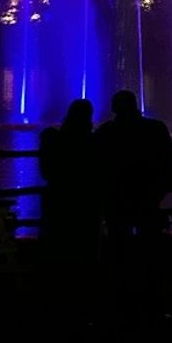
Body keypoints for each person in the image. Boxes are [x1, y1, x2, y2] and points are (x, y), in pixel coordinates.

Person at [94, 90, 172, 321]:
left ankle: (119, 305)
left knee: (117, 250)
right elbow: (171, 163)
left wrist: (105, 194)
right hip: (147, 199)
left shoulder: (106, 133)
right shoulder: (155, 129)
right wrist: (160, 191)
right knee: (150, 251)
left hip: (117, 202)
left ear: (114, 108)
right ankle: (153, 304)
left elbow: (95, 167)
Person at [38, 98, 101, 322]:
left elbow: (46, 171)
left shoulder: (53, 139)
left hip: (58, 202)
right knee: (85, 252)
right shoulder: (94, 143)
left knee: (57, 250)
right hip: (85, 205)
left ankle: (54, 304)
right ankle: (84, 305)